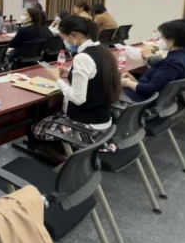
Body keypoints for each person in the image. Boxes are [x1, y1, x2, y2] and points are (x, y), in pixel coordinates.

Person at [29, 15, 121, 159]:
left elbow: (78, 98)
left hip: (88, 126)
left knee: (35, 129)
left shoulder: (82, 58)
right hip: (103, 119)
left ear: (73, 35)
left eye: (64, 38)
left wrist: (57, 79)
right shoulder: (103, 50)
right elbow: (95, 77)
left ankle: (69, 160)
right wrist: (69, 72)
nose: (64, 42)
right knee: (50, 118)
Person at [120, 19, 185, 103]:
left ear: (172, 40)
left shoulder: (174, 63)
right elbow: (157, 83)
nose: (161, 39)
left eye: (163, 37)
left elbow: (150, 89)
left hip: (141, 99)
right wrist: (134, 82)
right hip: (153, 97)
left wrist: (127, 82)